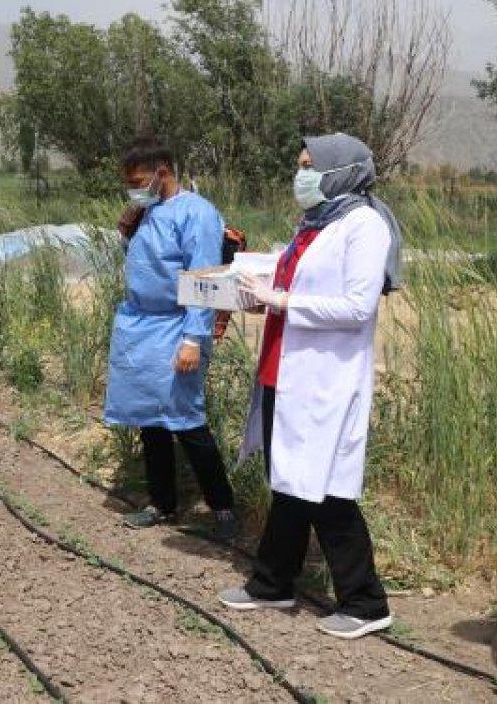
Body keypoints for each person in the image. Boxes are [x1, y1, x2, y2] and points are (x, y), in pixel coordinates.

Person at [218, 132, 401, 640]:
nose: (301, 174)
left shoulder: (364, 226)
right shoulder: (316, 224)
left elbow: (356, 307)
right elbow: (295, 287)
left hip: (324, 377)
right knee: (291, 478)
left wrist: (281, 301)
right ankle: (272, 581)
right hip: (285, 366)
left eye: (309, 166)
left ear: (341, 172)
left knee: (323, 486)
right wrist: (262, 297)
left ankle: (366, 602)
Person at [104, 139, 238, 541]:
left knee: (187, 419)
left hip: (177, 326)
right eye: (129, 183)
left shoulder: (196, 214)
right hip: (140, 326)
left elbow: (204, 277)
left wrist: (194, 339)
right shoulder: (144, 212)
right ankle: (162, 503)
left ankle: (223, 508)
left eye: (139, 181)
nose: (134, 189)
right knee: (150, 420)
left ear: (162, 172)